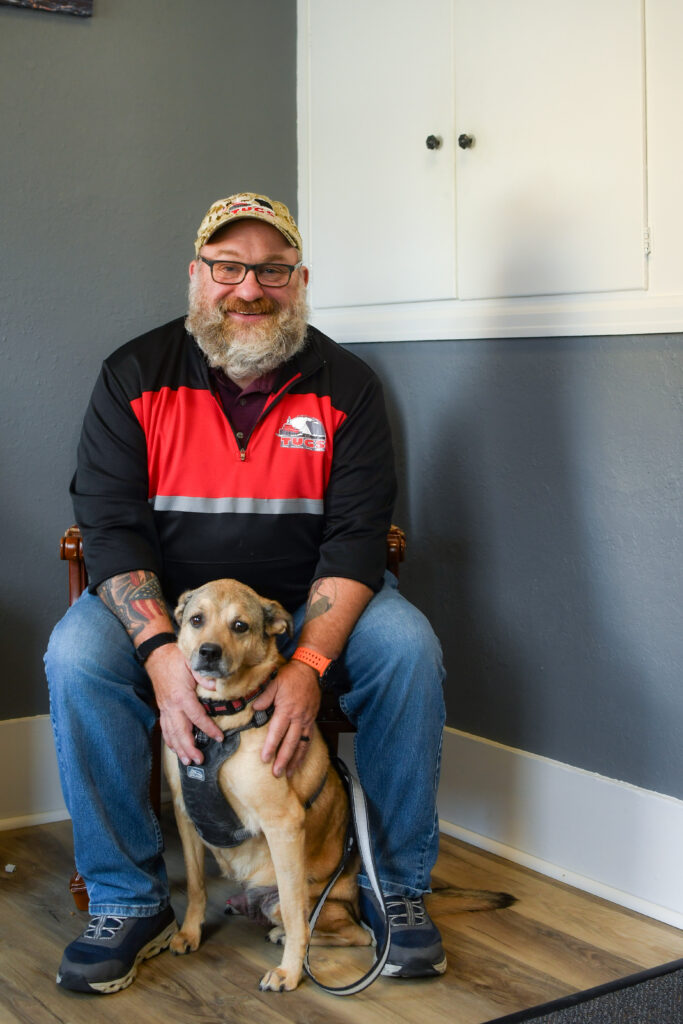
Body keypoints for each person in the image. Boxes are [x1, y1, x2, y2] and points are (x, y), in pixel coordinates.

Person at [45, 192, 446, 994]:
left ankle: (392, 888)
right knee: (75, 655)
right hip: (172, 610)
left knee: (406, 649)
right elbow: (111, 529)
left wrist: (305, 662)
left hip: (305, 605)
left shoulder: (348, 386)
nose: (248, 289)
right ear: (198, 277)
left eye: (270, 270)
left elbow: (359, 537)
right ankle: (129, 898)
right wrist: (161, 654)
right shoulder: (133, 374)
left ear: (298, 281)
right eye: (228, 268)